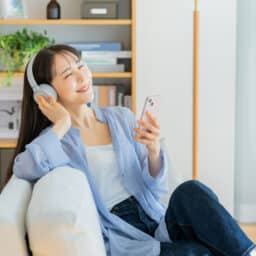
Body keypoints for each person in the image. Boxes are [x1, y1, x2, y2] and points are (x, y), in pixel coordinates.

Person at [5, 44, 256, 256]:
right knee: (198, 251)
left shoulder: (121, 117)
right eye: (69, 74)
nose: (82, 77)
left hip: (156, 218)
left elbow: (156, 188)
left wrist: (153, 150)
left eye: (81, 66)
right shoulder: (55, 140)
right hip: (125, 239)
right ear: (46, 92)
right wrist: (61, 123)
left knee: (192, 190)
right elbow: (24, 168)